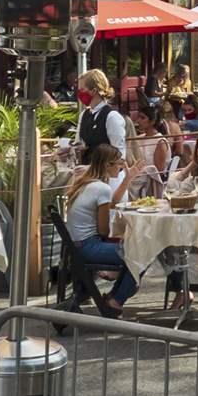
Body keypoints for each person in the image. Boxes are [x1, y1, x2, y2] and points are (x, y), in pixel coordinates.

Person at [65, 144, 138, 315]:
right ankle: (116, 300)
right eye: (119, 162)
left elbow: (111, 204)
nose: (122, 165)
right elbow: (104, 230)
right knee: (141, 254)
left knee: (135, 251)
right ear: (107, 165)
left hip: (77, 246)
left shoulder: (86, 183)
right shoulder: (102, 188)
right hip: (89, 247)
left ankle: (114, 298)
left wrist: (128, 179)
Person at [74, 69, 128, 165]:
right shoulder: (84, 115)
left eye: (82, 90)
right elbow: (79, 143)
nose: (79, 94)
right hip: (86, 173)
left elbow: (119, 155)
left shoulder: (112, 117)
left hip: (108, 176)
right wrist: (70, 150)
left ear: (94, 91)